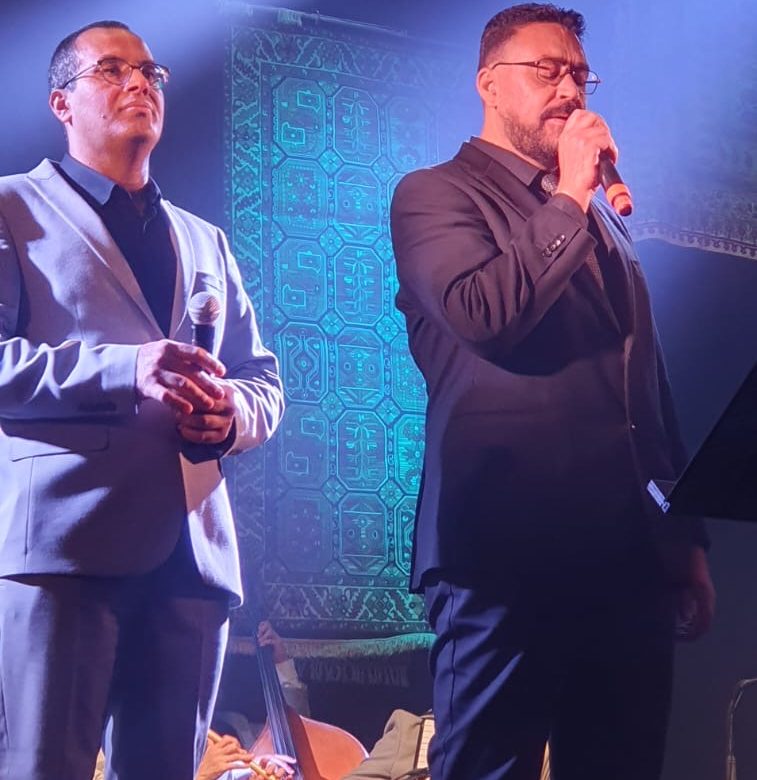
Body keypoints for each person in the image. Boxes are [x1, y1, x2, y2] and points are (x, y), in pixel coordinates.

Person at [389, 4, 715, 780]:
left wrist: (683, 541)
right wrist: (570, 192)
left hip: (626, 559)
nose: (568, 89)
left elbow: (645, 389)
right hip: (503, 554)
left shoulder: (603, 226)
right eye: (547, 70)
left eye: (579, 74)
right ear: (488, 85)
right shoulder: (434, 194)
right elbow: (483, 314)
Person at [0, 19, 284, 780]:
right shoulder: (11, 208)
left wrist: (229, 415)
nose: (139, 84)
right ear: (61, 102)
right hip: (63, 549)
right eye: (112, 70)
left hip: (193, 559)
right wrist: (128, 369)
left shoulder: (203, 238)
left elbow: (261, 379)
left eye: (151, 73)